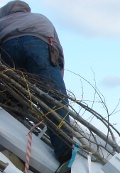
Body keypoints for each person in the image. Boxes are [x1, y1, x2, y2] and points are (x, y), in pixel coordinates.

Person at [0, 1, 72, 163]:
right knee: (54, 100)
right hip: (38, 46)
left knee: (15, 94)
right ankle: (64, 152)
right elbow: (57, 51)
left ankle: (12, 124)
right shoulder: (40, 18)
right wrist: (56, 80)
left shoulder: (2, 22)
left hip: (7, 49)